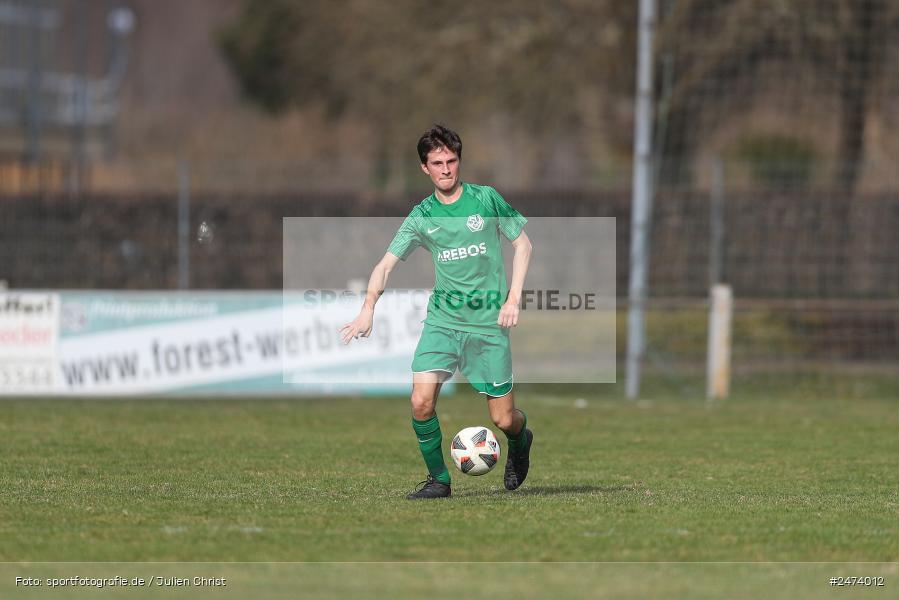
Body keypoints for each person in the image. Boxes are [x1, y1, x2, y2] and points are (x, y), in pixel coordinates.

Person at [340, 124, 533, 499]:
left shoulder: (486, 200)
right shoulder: (421, 217)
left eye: (451, 161)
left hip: (488, 324)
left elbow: (523, 246)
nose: (446, 169)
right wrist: (367, 308)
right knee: (420, 401)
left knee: (503, 419)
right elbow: (384, 266)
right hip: (443, 323)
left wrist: (513, 298)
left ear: (459, 162)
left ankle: (521, 440)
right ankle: (439, 480)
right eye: (437, 163)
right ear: (424, 168)